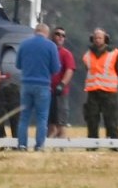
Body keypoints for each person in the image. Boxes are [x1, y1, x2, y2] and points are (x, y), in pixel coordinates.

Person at [15, 23, 60, 151]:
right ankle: (39, 145)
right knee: (42, 117)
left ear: (35, 31)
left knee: (24, 117)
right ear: (46, 33)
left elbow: (18, 65)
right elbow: (56, 68)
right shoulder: (51, 46)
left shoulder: (24, 44)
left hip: (26, 84)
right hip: (43, 85)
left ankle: (22, 145)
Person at [82, 28, 118, 141]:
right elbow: (88, 70)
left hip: (109, 92)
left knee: (111, 121)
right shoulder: (87, 55)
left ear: (105, 39)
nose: (97, 40)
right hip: (93, 92)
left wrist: (116, 87)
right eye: (95, 38)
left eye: (100, 38)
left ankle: (115, 146)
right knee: (92, 120)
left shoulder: (114, 53)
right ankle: (92, 145)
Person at [48, 27, 76, 139]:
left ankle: (61, 146)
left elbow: (70, 70)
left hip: (61, 93)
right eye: (58, 34)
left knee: (61, 123)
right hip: (48, 92)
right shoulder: (49, 51)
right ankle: (48, 145)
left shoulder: (66, 54)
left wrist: (62, 84)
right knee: (50, 122)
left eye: (63, 35)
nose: (60, 37)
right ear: (52, 36)